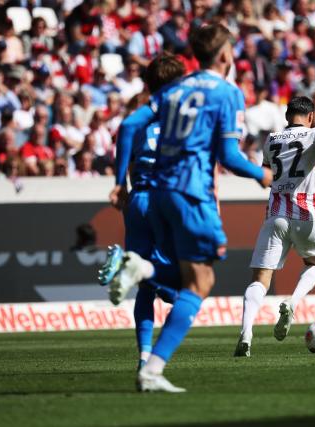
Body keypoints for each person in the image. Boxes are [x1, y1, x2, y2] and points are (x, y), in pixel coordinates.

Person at [101, 24, 273, 393]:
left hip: (157, 191)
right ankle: (152, 360)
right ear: (225, 55)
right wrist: (262, 174)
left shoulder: (177, 88)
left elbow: (130, 124)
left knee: (183, 278)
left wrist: (119, 181)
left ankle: (143, 277)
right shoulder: (228, 93)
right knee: (202, 279)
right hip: (192, 192)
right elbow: (228, 155)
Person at [235, 96, 315, 357]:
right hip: (307, 213)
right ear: (310, 117)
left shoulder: (271, 139)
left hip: (275, 215)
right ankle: (292, 302)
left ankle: (246, 333)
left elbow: (264, 178)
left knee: (260, 278)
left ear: (287, 117)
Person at [100, 54, 184, 373]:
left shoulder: (137, 122)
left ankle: (144, 357)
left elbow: (127, 146)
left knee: (145, 288)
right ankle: (128, 263)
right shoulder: (180, 120)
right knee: (178, 287)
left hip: (138, 201)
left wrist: (119, 184)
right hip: (166, 201)